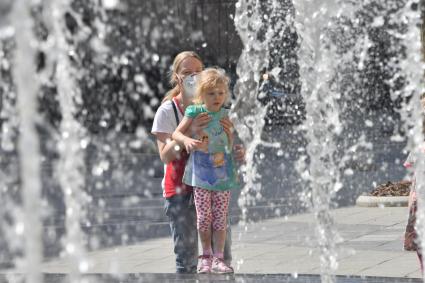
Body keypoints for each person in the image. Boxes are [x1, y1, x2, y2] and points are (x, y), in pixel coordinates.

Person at [151, 51, 244, 274]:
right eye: (187, 72)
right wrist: (189, 134)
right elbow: (165, 156)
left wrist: (237, 151)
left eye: (197, 72)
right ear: (177, 77)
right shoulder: (168, 110)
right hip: (180, 191)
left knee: (222, 257)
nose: (193, 76)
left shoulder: (215, 103)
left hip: (212, 183)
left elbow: (226, 142)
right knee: (188, 261)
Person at [172, 67, 239, 274]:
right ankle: (206, 256)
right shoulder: (194, 112)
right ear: (201, 95)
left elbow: (228, 146)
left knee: (220, 216)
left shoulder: (227, 114)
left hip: (222, 172)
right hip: (201, 173)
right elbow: (176, 134)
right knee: (203, 216)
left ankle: (219, 258)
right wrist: (188, 140)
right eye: (211, 93)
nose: (217, 97)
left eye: (220, 93)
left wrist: (229, 138)